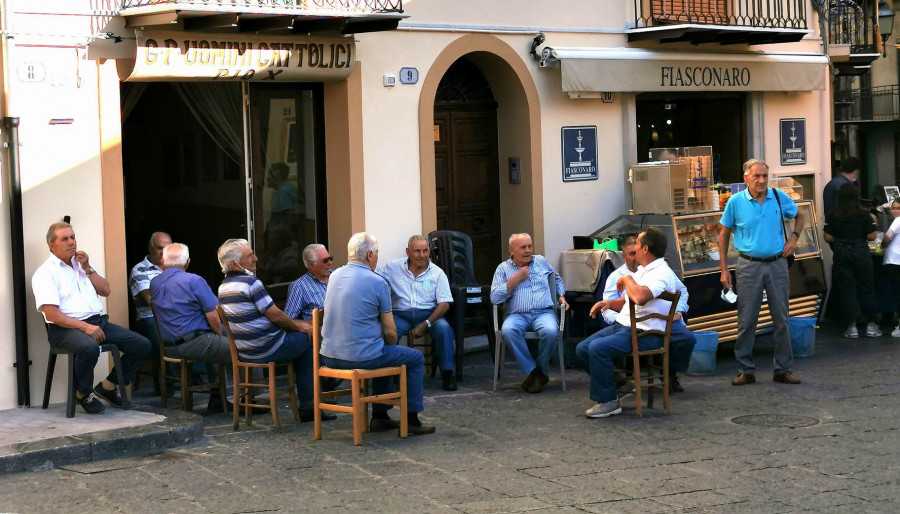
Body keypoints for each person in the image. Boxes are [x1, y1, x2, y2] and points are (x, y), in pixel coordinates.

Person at [320, 232, 435, 435]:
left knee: (383, 352)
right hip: (362, 357)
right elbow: (391, 332)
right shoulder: (378, 282)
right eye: (377, 253)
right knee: (411, 357)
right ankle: (411, 420)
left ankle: (381, 416)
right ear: (370, 254)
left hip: (330, 356)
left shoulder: (334, 275)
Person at [32, 222, 151, 414]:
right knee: (89, 347)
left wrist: (87, 267)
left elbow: (106, 290)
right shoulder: (45, 273)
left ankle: (108, 387)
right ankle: (83, 393)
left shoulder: (82, 265)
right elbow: (51, 313)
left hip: (98, 322)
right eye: (65, 239)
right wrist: (84, 328)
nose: (72, 242)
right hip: (65, 328)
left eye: (73, 237)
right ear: (51, 246)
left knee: (141, 344)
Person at [576, 228, 696, 418]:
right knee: (582, 348)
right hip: (625, 326)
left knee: (598, 349)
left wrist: (627, 278)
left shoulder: (661, 273)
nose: (636, 249)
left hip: (645, 332)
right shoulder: (645, 270)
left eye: (638, 246)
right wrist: (609, 303)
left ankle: (608, 402)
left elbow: (639, 297)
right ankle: (613, 384)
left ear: (645, 249)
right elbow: (629, 300)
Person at [216, 238, 334, 422]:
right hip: (267, 347)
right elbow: (276, 315)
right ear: (234, 263)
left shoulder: (223, 287)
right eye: (250, 255)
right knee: (310, 338)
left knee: (302, 340)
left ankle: (313, 397)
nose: (255, 258)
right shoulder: (251, 284)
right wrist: (299, 325)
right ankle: (309, 406)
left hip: (246, 351)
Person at [719, 158, 805, 386]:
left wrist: (794, 238)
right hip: (748, 265)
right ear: (746, 177)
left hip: (777, 264)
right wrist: (724, 270)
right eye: (757, 176)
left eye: (765, 176)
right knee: (747, 320)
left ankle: (783, 368)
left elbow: (800, 215)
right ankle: (745, 369)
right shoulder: (736, 202)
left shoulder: (777, 197)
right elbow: (723, 234)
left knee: (781, 318)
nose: (762, 180)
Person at [598, 235, 692, 393]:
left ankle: (669, 374)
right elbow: (607, 309)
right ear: (624, 256)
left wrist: (678, 311)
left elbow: (681, 290)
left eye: (637, 251)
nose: (635, 257)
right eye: (631, 254)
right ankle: (619, 379)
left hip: (661, 318)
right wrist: (624, 322)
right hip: (629, 323)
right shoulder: (616, 277)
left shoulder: (658, 271)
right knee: (598, 346)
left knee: (687, 339)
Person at [149, 242, 232, 412]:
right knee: (248, 347)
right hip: (194, 344)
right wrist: (222, 337)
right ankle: (253, 399)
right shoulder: (194, 280)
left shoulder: (155, 282)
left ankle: (217, 397)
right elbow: (214, 316)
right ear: (187, 262)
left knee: (213, 342)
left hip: (169, 347)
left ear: (163, 262)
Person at [377, 235, 457, 391]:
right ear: (408, 252)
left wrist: (425, 324)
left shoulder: (437, 273)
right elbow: (374, 277)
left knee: (444, 330)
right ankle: (389, 374)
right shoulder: (393, 268)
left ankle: (448, 374)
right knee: (388, 332)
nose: (422, 255)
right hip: (401, 314)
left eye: (425, 250)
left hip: (429, 315)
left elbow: (444, 304)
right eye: (417, 251)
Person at [490, 233, 567, 394]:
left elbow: (557, 280)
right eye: (523, 247)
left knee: (551, 331)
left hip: (543, 313)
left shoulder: (541, 261)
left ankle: (539, 370)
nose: (528, 250)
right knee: (508, 331)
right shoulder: (503, 268)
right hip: (517, 315)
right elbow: (495, 297)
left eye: (529, 246)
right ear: (512, 250)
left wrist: (561, 296)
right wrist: (516, 278)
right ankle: (537, 372)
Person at [824, 183, 880, 338]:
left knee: (847, 289)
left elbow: (827, 237)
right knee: (866, 287)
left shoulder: (834, 214)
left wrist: (840, 238)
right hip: (861, 252)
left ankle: (852, 326)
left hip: (842, 252)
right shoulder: (864, 213)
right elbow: (872, 236)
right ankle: (871, 325)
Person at [128, 231, 172, 361]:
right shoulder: (139, 269)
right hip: (150, 319)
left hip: (173, 317)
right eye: (159, 248)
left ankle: (197, 377)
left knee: (200, 326)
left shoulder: (174, 268)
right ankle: (172, 380)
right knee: (159, 326)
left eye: (167, 249)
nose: (163, 253)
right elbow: (150, 300)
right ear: (150, 248)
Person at [285, 244, 333, 323]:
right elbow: (288, 320)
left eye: (330, 259)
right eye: (325, 260)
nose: (330, 263)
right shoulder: (299, 286)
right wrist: (315, 322)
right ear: (311, 265)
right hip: (322, 331)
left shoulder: (338, 275)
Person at [881, 198, 900, 337]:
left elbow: (887, 238)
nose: (895, 211)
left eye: (898, 208)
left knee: (897, 294)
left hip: (894, 262)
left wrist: (881, 247)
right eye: (893, 208)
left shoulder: (898, 221)